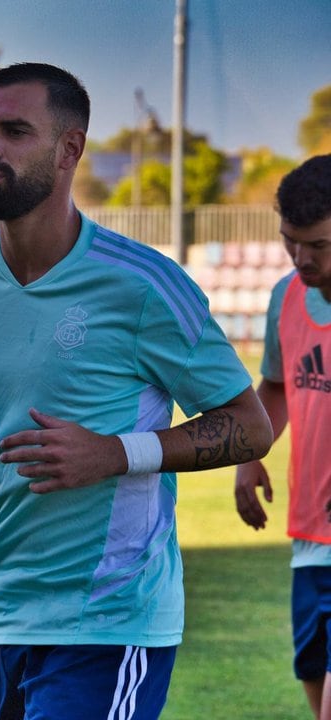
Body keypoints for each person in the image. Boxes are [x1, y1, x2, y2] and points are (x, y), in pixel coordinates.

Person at [0, 62, 273, 720]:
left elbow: (250, 424)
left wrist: (114, 454)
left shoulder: (141, 285)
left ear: (69, 149)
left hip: (108, 624)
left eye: (15, 130)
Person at [234, 154, 331, 720]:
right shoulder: (288, 296)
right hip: (309, 540)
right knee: (313, 680)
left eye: (318, 244)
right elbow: (274, 386)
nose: (302, 258)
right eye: (291, 242)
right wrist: (249, 453)